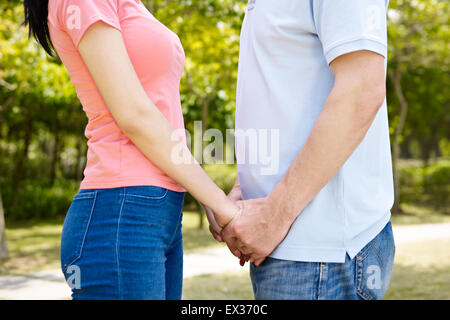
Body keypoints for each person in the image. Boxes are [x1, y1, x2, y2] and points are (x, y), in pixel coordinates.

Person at [24, 0, 240, 300]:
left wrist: (207, 198)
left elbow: (161, 116)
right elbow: (134, 115)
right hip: (122, 213)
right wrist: (221, 204)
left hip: (155, 213)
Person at [215, 0, 396, 300]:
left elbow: (362, 88)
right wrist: (245, 184)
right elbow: (285, 95)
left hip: (320, 252)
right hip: (288, 245)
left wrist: (275, 214)